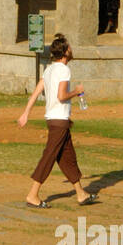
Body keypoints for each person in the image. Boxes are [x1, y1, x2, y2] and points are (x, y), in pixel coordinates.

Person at [16, 33, 98, 208]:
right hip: (59, 120)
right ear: (65, 52)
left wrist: (26, 113)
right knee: (49, 156)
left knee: (67, 157)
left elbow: (36, 93)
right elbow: (62, 96)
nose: (71, 49)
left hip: (55, 120)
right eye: (69, 47)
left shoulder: (49, 69)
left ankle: (81, 193)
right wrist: (76, 91)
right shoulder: (63, 70)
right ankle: (32, 194)